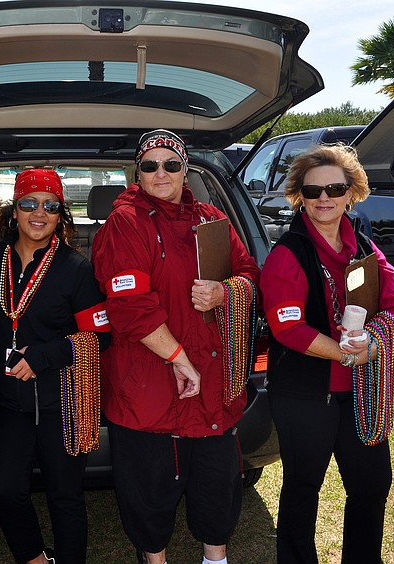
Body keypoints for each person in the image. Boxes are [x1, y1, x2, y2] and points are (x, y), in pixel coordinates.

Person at [91, 129, 260, 564]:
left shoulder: (210, 217)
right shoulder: (125, 223)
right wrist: (178, 357)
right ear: (138, 173)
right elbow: (129, 305)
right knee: (149, 489)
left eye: (171, 163)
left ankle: (215, 557)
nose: (160, 172)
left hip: (212, 384)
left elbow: (247, 271)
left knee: (217, 483)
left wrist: (227, 292)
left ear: (185, 171)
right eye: (150, 165)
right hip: (149, 386)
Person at [259, 144, 394, 563]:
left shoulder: (363, 247)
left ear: (350, 193)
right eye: (312, 191)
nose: (323, 199)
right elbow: (287, 327)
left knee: (372, 485)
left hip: (360, 394)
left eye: (334, 188)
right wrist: (347, 354)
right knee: (303, 487)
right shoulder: (288, 253)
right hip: (305, 395)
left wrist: (375, 343)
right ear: (299, 197)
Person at [0, 169, 111, 564]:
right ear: (13, 210)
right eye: (29, 203)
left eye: (50, 206)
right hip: (7, 403)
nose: (39, 213)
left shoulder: (75, 268)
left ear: (61, 215)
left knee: (64, 497)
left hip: (63, 404)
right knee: (2, 489)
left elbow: (100, 337)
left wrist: (42, 356)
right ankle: (34, 558)